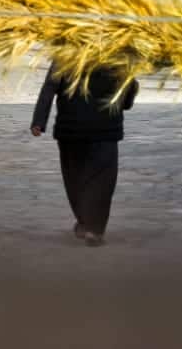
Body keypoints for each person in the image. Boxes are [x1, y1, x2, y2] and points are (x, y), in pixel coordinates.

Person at [31, 63, 137, 248]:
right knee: (102, 181)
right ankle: (94, 228)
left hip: (71, 129)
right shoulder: (117, 55)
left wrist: (39, 121)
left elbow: (49, 88)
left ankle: (85, 221)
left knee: (75, 179)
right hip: (105, 129)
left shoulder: (65, 55)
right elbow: (127, 93)